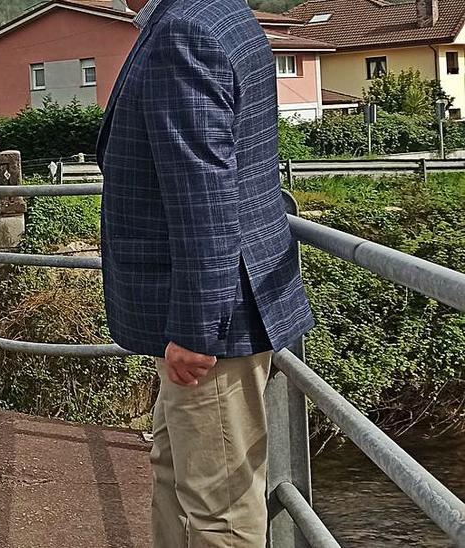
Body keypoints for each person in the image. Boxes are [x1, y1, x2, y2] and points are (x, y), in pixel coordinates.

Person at [96, 0, 315, 546]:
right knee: (177, 475)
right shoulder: (218, 13)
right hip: (221, 304)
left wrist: (196, 332)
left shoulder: (185, 32)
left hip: (212, 321)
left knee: (218, 508)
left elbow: (205, 201)